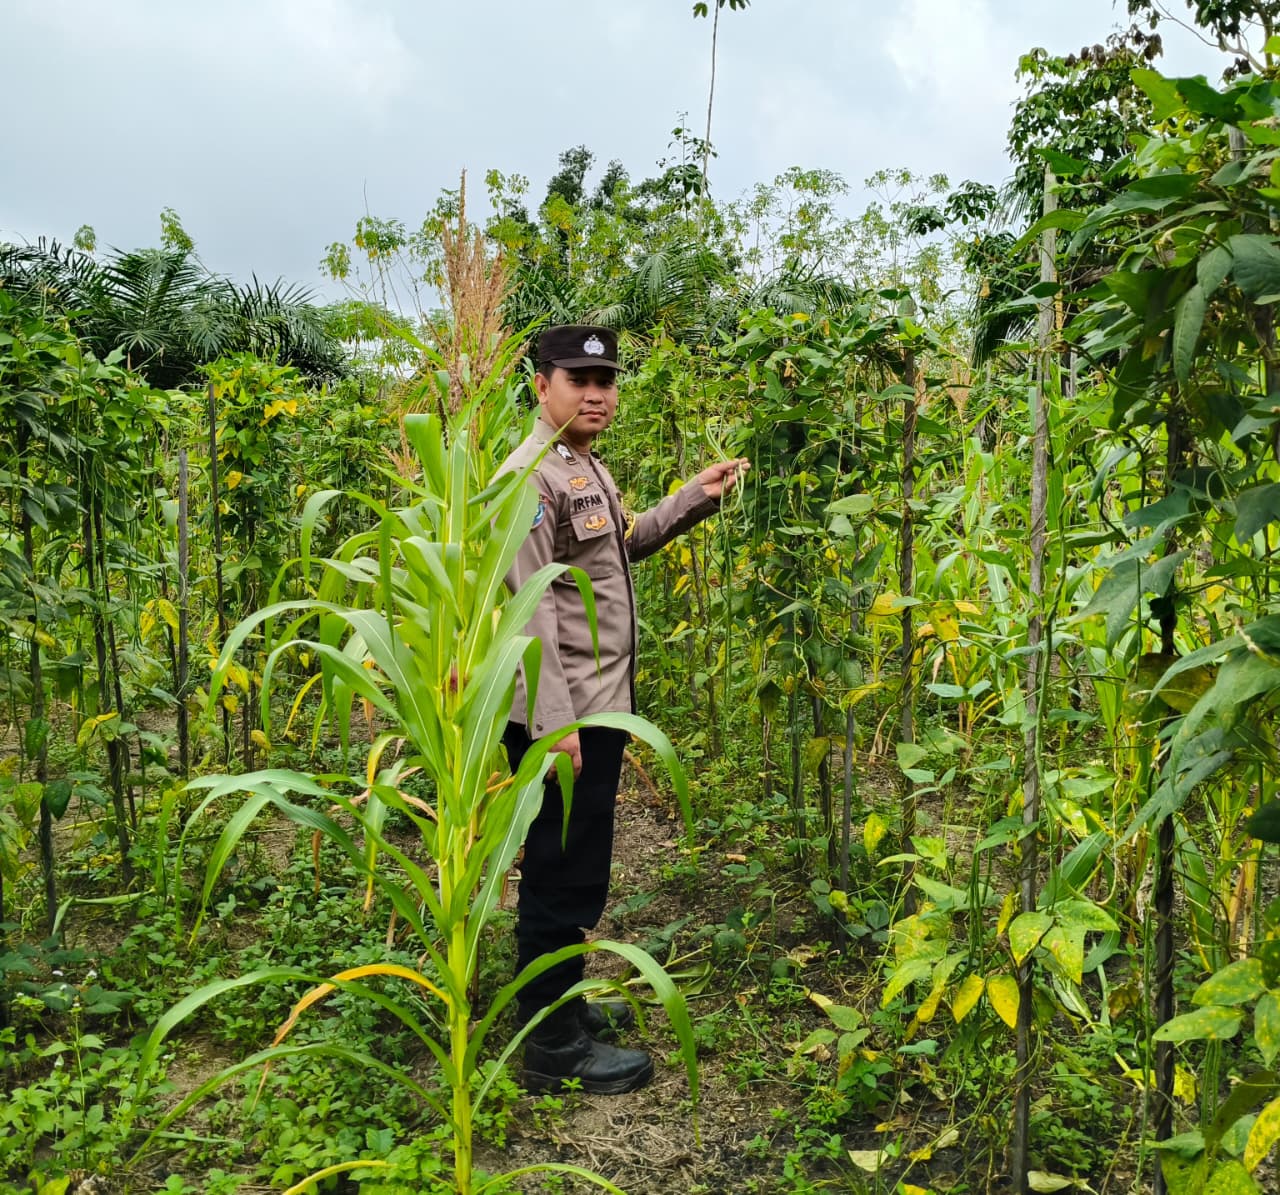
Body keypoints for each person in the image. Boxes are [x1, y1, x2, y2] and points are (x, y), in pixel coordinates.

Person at [500, 325, 748, 1095]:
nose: (597, 392)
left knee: (578, 865)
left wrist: (691, 499)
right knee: (558, 868)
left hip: (596, 703)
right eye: (579, 378)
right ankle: (550, 1044)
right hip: (564, 712)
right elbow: (528, 609)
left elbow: (618, 546)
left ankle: (559, 1001)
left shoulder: (581, 466)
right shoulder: (528, 478)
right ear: (541, 384)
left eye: (606, 379)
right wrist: (555, 727)